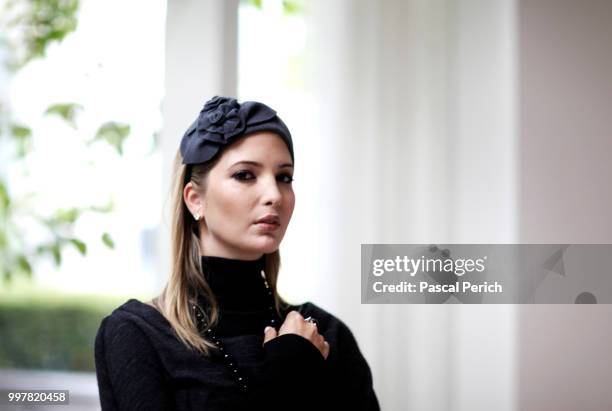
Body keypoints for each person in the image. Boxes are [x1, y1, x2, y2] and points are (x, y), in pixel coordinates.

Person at [94, 96, 380, 411]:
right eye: (245, 175)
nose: (274, 195)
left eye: (284, 177)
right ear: (194, 199)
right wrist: (289, 375)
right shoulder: (138, 334)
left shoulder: (324, 334)